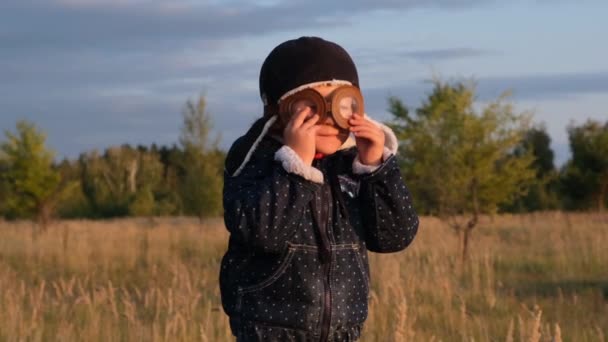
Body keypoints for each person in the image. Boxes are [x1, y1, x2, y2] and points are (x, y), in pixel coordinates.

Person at [219, 36, 419, 341]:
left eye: (341, 103)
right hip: (269, 327)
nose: (328, 116)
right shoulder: (256, 158)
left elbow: (394, 237)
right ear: (279, 111)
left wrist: (376, 167)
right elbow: (263, 233)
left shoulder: (351, 164)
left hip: (343, 329)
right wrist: (297, 165)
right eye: (311, 106)